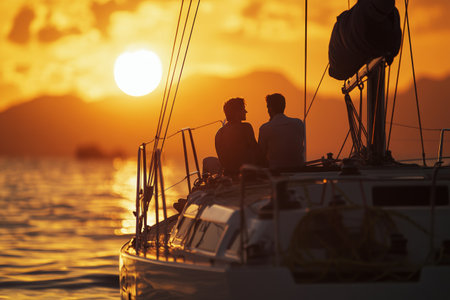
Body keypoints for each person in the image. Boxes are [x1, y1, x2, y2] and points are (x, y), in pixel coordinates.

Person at [215, 97, 262, 177]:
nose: (246, 111)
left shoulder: (219, 133)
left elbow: (223, 160)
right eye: (243, 109)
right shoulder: (246, 127)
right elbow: (257, 152)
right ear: (236, 112)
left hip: (229, 175)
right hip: (247, 174)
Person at [258, 93, 305, 171]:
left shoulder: (265, 128)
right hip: (298, 169)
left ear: (270, 108)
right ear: (284, 106)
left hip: (276, 171)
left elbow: (261, 154)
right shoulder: (298, 123)